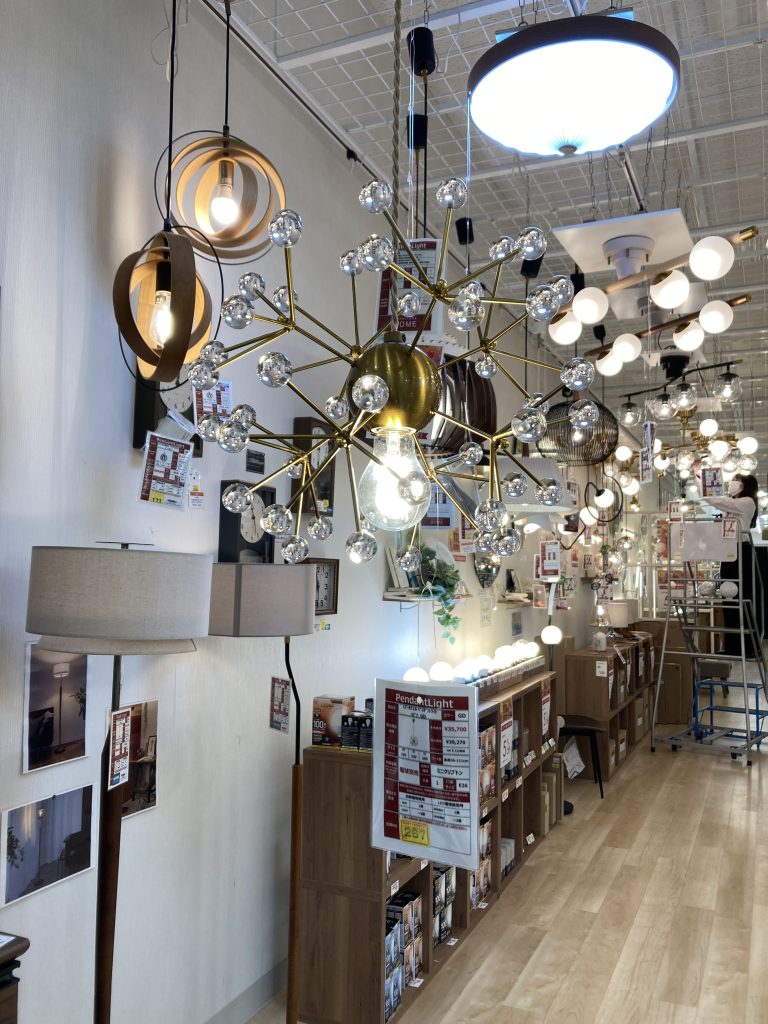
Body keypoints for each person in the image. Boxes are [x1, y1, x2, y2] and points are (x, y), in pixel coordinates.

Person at [698, 473, 763, 657]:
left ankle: (748, 648)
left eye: (737, 480)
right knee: (729, 600)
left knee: (743, 598)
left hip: (741, 552)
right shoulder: (733, 505)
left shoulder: (747, 502)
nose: (733, 483)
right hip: (729, 551)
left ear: (745, 486)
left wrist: (701, 479)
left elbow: (716, 500)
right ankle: (733, 646)